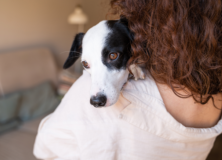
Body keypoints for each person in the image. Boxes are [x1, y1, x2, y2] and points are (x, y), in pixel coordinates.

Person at [33, 0, 222, 159]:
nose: (95, 93)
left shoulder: (85, 93)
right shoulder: (215, 94)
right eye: (87, 65)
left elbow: (44, 146)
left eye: (113, 56)